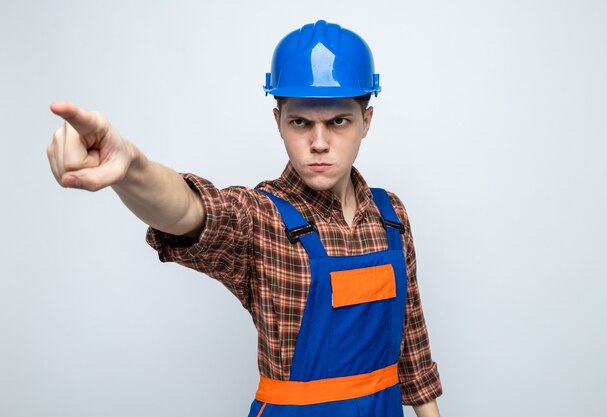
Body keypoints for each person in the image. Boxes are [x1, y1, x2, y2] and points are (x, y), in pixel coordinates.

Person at [46, 20, 442, 417]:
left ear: (366, 121)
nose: (319, 143)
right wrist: (131, 168)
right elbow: (192, 211)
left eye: (338, 121)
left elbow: (413, 349)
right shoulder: (263, 219)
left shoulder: (391, 216)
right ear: (278, 122)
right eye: (300, 122)